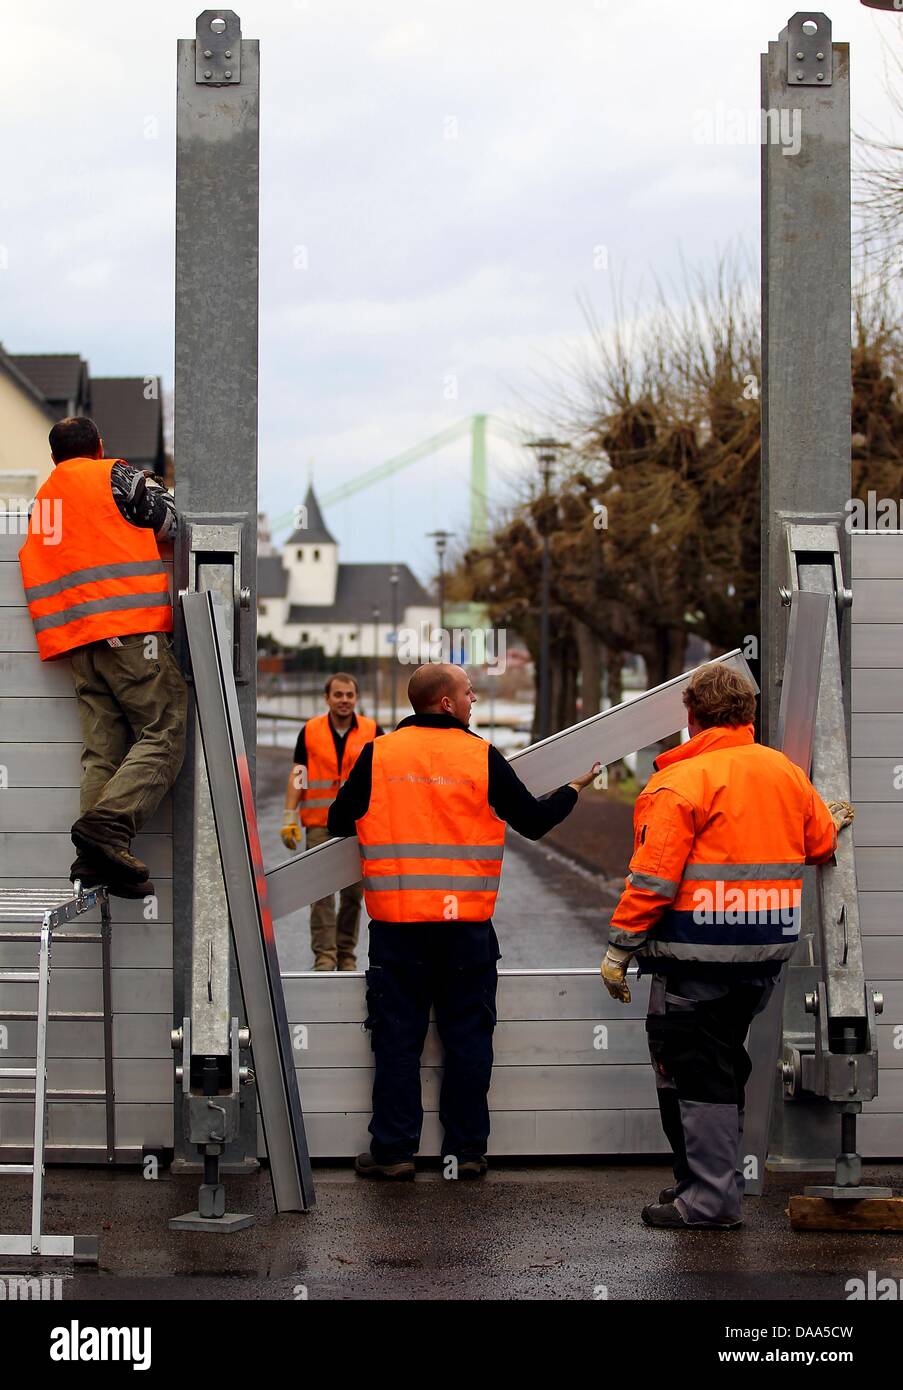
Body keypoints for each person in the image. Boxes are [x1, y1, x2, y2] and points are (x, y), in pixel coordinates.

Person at [599, 660, 854, 1230]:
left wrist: (620, 948)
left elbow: (654, 880)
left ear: (691, 717)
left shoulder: (678, 782)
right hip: (762, 959)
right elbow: (818, 842)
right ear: (748, 715)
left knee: (694, 1072)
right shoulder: (784, 772)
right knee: (718, 1064)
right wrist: (829, 820)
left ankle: (710, 1199)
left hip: (695, 957)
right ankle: (699, 1181)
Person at [327, 661, 600, 1180]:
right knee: (469, 1039)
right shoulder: (481, 756)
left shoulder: (378, 754)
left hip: (399, 929)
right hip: (466, 932)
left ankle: (393, 1153)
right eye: (469, 692)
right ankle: (466, 1151)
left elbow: (339, 820)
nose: (474, 699)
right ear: (447, 703)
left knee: (396, 1040)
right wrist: (572, 788)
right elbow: (534, 823)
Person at [18, 416, 187, 899]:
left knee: (102, 751)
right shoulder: (115, 475)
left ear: (54, 458)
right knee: (165, 729)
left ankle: (92, 862)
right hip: (129, 631)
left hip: (78, 643)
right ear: (99, 446)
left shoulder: (44, 500)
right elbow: (173, 521)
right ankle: (109, 828)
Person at [281, 673, 383, 970]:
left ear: (356, 698)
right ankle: (324, 958)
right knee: (321, 895)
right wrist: (289, 814)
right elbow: (299, 774)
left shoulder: (373, 730)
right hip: (319, 825)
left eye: (349, 695)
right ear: (327, 698)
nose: (344, 700)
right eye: (338, 695)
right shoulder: (310, 731)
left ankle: (345, 955)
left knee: (353, 895)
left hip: (358, 827)